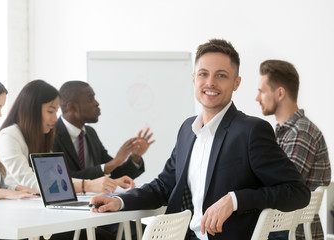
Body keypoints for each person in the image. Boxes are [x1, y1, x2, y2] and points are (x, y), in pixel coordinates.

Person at [89, 39, 311, 240]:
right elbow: (164, 186)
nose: (210, 82)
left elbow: (297, 192)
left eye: (221, 75)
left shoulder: (251, 131)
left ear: (236, 82)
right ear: (194, 79)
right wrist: (120, 201)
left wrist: (235, 200)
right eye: (204, 74)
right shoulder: (187, 129)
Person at [0, 80, 134, 195]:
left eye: (56, 112)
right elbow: (31, 182)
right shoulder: (8, 137)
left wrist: (110, 184)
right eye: (50, 111)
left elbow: (59, 178)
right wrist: (86, 186)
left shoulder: (42, 138)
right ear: (31, 110)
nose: (55, 118)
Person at [256, 59, 331, 240]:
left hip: (291, 233)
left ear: (280, 93)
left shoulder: (301, 134)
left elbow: (284, 188)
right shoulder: (287, 133)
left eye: (261, 91)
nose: (257, 98)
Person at [53, 80, 154, 180]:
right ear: (72, 107)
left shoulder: (90, 133)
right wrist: (114, 162)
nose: (96, 103)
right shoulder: (51, 134)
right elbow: (64, 179)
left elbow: (116, 174)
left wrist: (135, 156)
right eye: (90, 98)